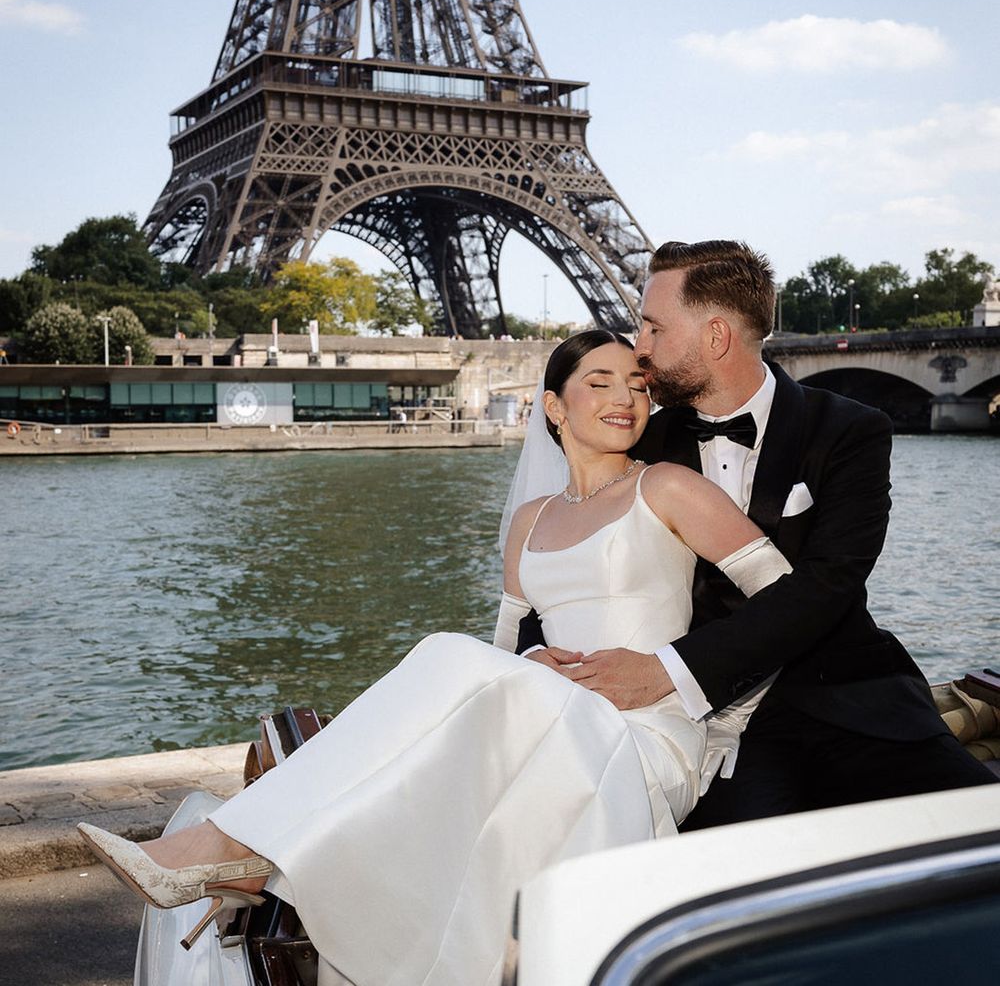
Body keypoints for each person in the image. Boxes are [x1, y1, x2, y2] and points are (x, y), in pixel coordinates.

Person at [78, 330, 791, 986]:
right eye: (600, 382)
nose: (626, 397)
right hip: (546, 723)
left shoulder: (666, 486)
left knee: (444, 655)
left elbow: (788, 606)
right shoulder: (529, 523)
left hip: (639, 734)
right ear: (553, 405)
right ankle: (251, 853)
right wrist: (532, 664)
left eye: (637, 383)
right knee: (455, 667)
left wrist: (700, 707)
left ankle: (238, 845)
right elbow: (505, 655)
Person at [516, 239, 998, 828]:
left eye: (652, 329)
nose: (639, 352)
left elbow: (829, 586)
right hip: (712, 725)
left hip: (845, 694)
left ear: (715, 337)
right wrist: (533, 658)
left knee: (977, 825)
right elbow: (567, 567)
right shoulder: (636, 441)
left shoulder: (850, 430)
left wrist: (665, 669)